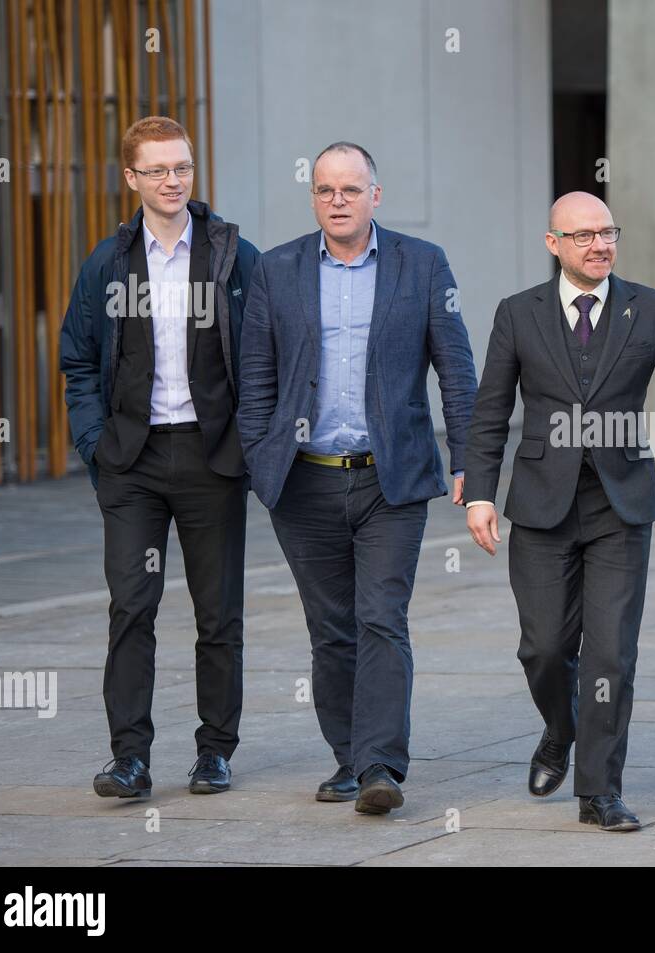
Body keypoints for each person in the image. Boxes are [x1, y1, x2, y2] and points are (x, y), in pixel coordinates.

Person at [463, 191, 655, 831]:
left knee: (612, 656)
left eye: (607, 232)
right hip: (541, 503)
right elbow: (490, 410)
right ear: (553, 243)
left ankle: (599, 791)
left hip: (621, 504)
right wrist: (480, 491)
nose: (599, 245)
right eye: (583, 235)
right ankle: (561, 730)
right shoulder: (518, 314)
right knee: (544, 649)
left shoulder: (651, 309)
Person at [236, 141, 476, 815]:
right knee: (330, 627)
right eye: (324, 190)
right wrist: (261, 461)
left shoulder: (422, 265)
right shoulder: (277, 270)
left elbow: (456, 368)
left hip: (390, 479)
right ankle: (347, 757)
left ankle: (380, 767)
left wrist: (469, 461)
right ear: (313, 197)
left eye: (350, 189)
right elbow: (256, 376)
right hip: (304, 482)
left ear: (376, 194)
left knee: (381, 617)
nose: (337, 200)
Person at [60, 116, 260, 799]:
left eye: (182, 168)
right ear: (131, 178)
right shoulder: (109, 261)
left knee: (218, 614)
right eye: (157, 170)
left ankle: (214, 752)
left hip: (211, 460)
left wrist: (254, 440)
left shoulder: (232, 255)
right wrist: (95, 443)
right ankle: (130, 760)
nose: (172, 181)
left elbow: (268, 351)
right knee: (131, 606)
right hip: (133, 462)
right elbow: (77, 358)